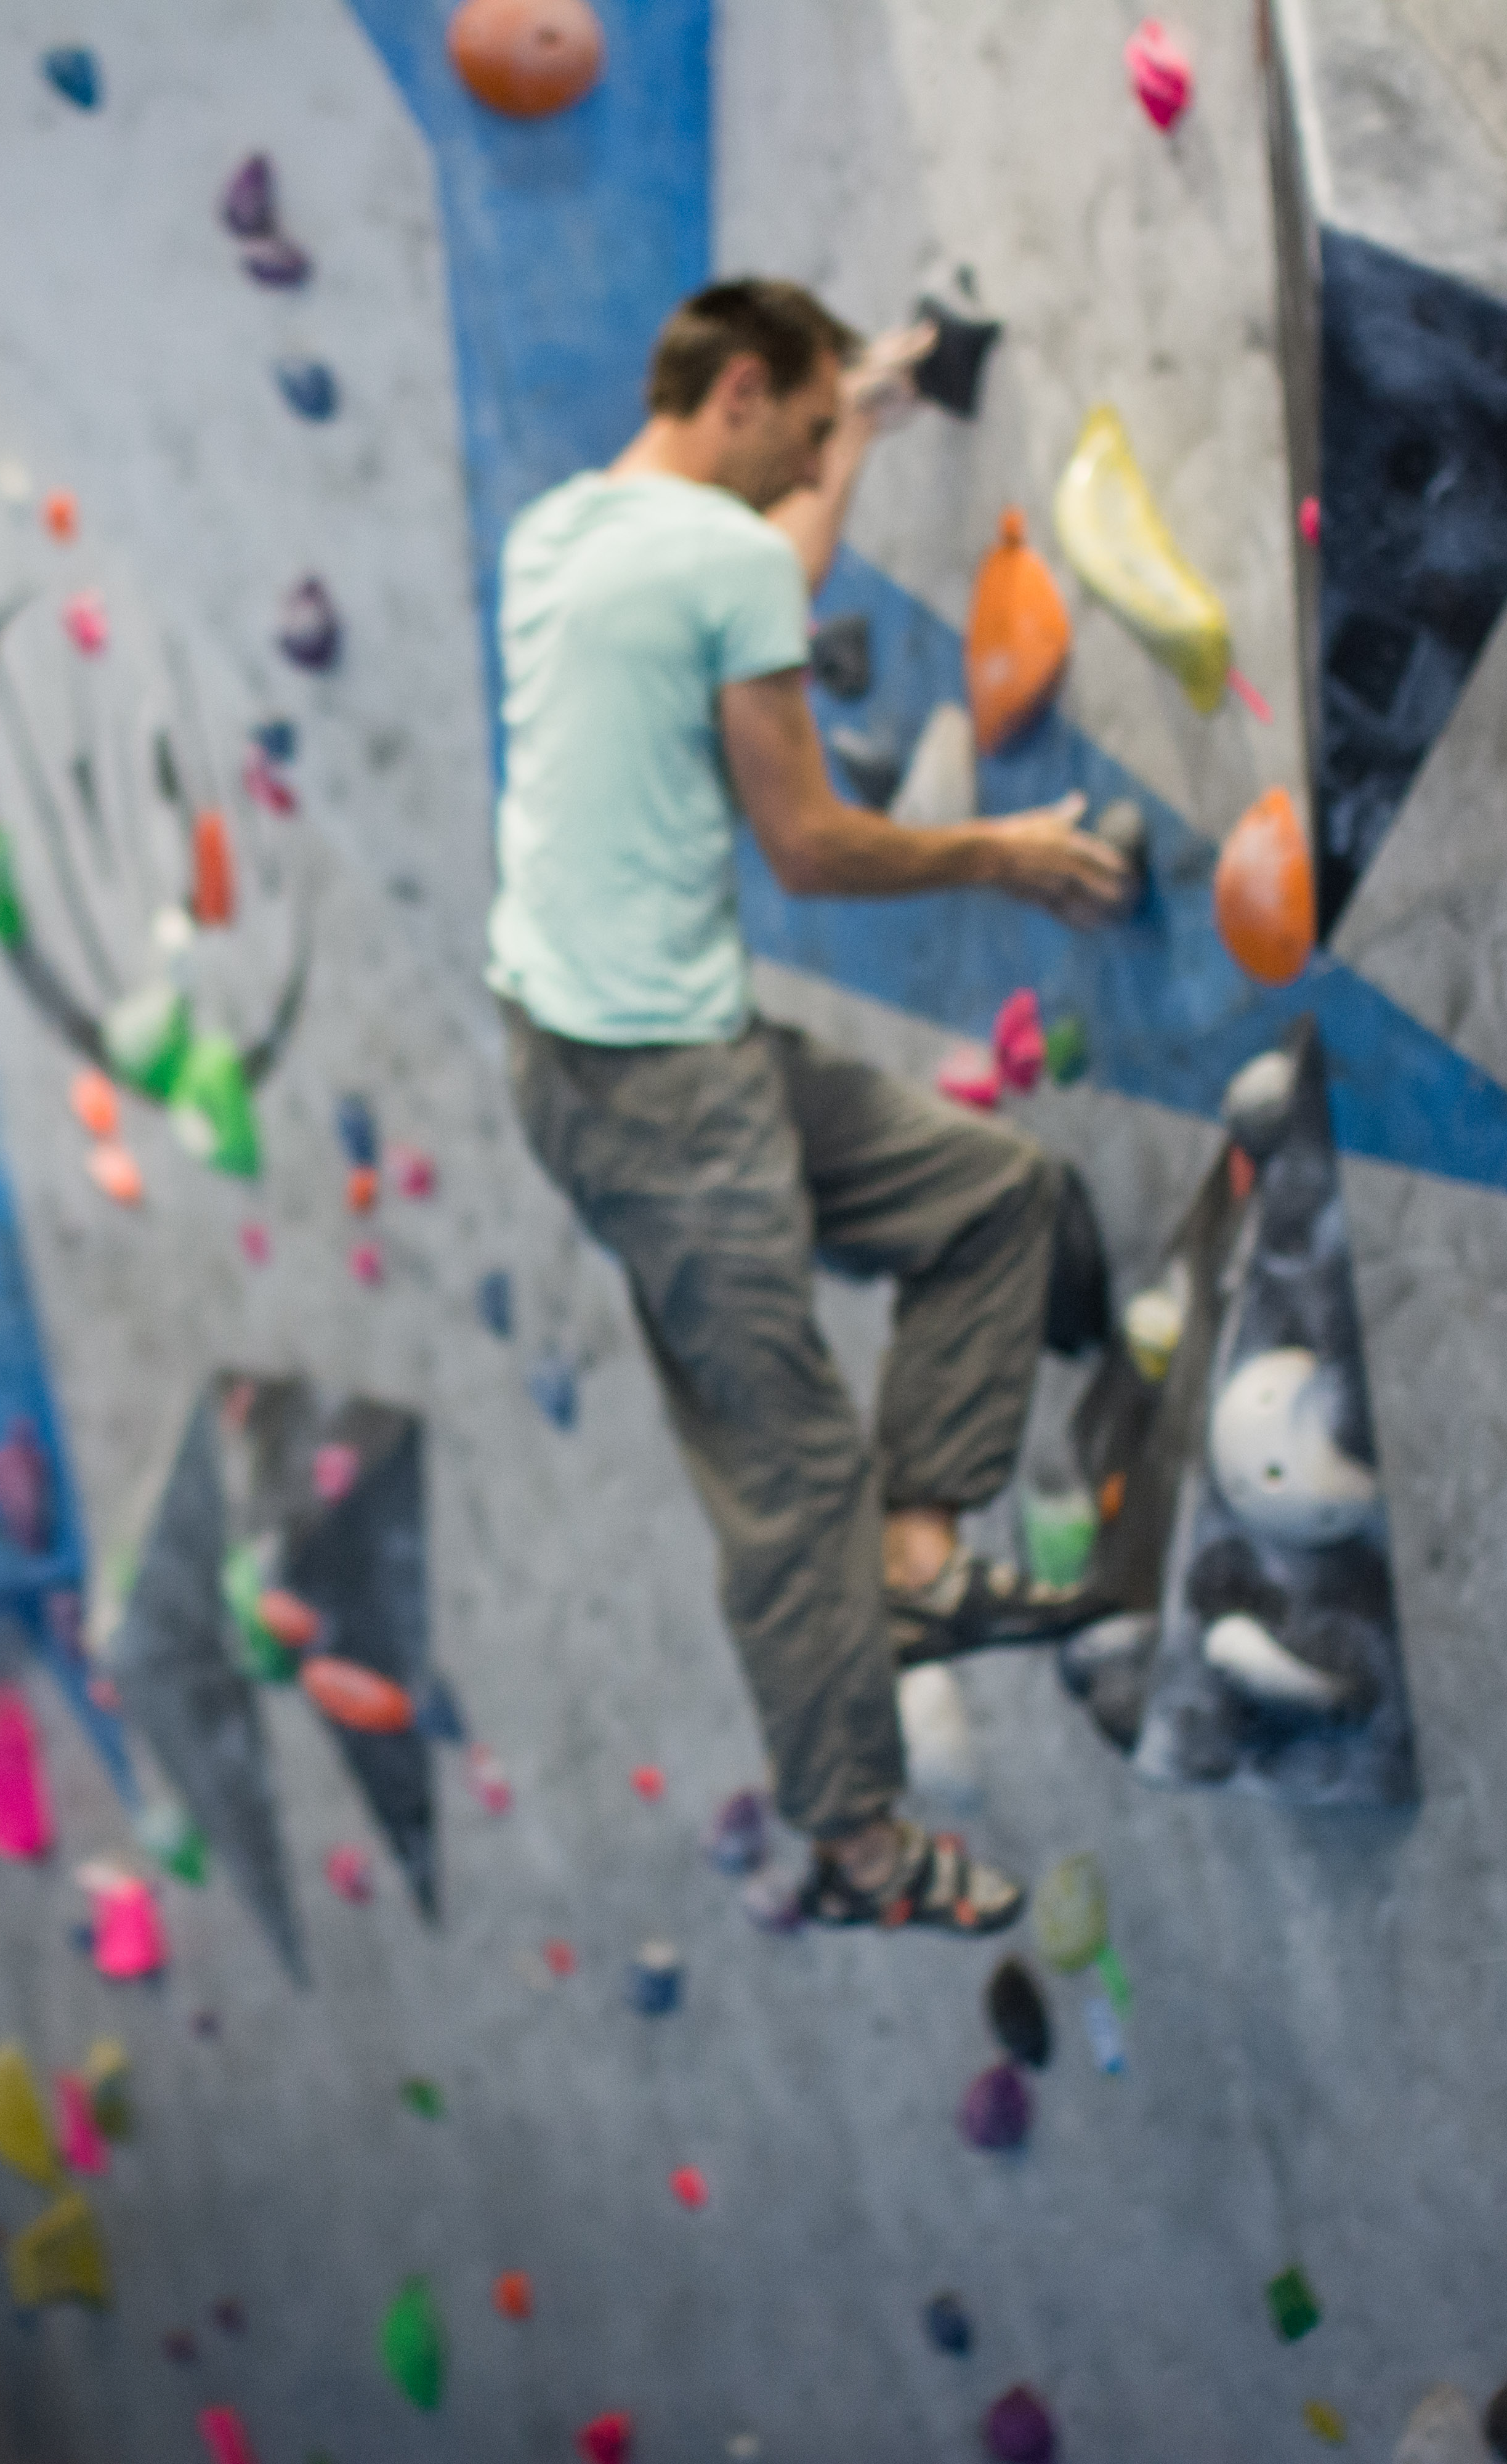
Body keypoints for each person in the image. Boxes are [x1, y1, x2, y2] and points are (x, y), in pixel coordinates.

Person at [487, 278, 1136, 1937]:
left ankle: (919, 1563)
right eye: (807, 421)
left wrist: (862, 418)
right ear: (747, 394)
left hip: (616, 1049)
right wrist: (1005, 851)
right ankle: (859, 1849)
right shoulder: (717, 557)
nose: (808, 457)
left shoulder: (562, 535)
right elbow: (810, 843)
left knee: (994, 1198)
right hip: (662, 1088)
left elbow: (770, 573)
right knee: (786, 1472)